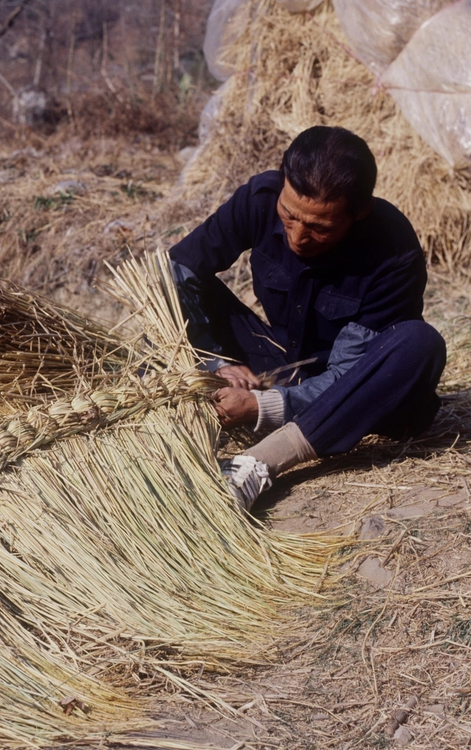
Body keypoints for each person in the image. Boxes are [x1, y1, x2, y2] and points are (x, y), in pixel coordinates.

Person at [169, 125, 446, 510]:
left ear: (360, 212)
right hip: (280, 364)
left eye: (320, 228)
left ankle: (259, 461)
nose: (298, 236)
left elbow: (344, 376)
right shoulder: (260, 198)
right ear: (282, 183)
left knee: (420, 343)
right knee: (176, 280)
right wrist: (216, 360)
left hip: (359, 394)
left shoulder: (393, 251)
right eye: (289, 216)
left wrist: (260, 408)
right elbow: (180, 267)